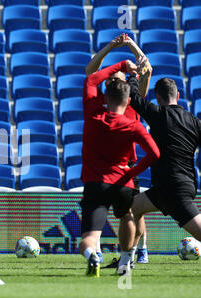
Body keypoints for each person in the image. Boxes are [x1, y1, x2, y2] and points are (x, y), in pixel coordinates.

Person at [79, 59, 160, 277]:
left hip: (96, 182)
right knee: (128, 216)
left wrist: (121, 65)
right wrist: (131, 173)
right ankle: (126, 262)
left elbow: (91, 78)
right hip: (123, 181)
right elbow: (155, 154)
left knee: (89, 238)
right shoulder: (134, 125)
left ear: (106, 97)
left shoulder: (92, 113)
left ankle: (92, 256)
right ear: (127, 101)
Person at [128, 58, 201, 250]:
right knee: (132, 208)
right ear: (177, 95)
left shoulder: (157, 113)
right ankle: (128, 260)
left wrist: (134, 76)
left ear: (158, 98)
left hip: (173, 188)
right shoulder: (193, 121)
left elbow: (133, 97)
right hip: (172, 186)